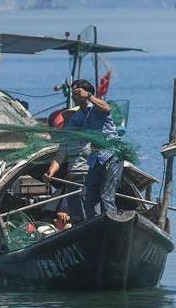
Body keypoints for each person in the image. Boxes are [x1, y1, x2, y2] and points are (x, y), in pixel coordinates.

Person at [52, 78, 123, 219]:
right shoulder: (79, 115)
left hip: (111, 156)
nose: (74, 96)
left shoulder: (96, 108)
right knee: (87, 198)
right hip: (95, 159)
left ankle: (112, 223)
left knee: (106, 196)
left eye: (77, 92)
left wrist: (89, 96)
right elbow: (68, 135)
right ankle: (94, 225)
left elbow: (107, 108)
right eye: (73, 93)